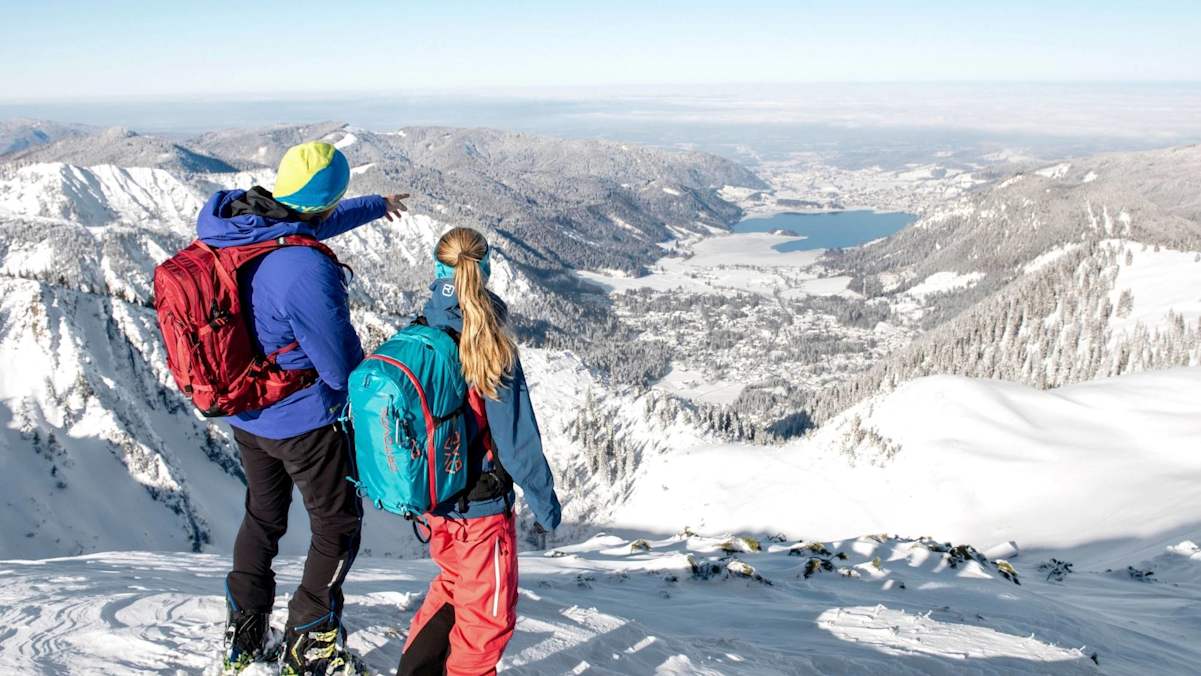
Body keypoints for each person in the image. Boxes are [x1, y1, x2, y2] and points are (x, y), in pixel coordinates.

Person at [196, 140, 408, 674]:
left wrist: (376, 205)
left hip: (248, 411)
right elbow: (340, 368)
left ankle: (243, 637)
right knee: (336, 526)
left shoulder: (238, 225)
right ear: (322, 204)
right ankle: (309, 643)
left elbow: (311, 221)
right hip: (305, 422)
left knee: (262, 519)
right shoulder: (303, 269)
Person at [397, 227, 562, 676]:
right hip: (481, 512)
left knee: (452, 588)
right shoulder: (487, 340)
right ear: (485, 269)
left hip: (439, 504)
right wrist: (546, 505)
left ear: (437, 270)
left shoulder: (421, 328)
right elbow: (515, 441)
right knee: (487, 622)